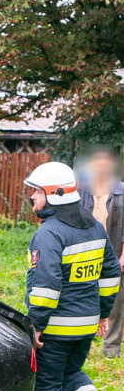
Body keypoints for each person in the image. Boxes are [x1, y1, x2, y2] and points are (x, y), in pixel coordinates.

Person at [25, 161, 119, 391]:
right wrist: (103, 315)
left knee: (47, 386)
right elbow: (111, 274)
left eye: (36, 193)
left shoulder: (49, 234)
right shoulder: (94, 228)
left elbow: (46, 286)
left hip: (55, 327)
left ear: (53, 194)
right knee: (72, 374)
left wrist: (36, 324)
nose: (32, 199)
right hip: (86, 324)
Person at [78, 147, 124, 357]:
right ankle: (82, 343)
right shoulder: (82, 191)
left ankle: (111, 349)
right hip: (86, 252)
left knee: (115, 300)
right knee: (84, 297)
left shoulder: (121, 191)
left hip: (113, 253)